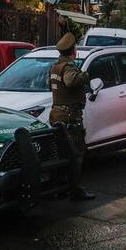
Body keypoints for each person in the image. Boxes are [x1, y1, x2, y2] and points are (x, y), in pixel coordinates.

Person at [49, 32, 96, 201]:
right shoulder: (68, 67)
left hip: (56, 115)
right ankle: (75, 189)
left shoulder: (54, 67)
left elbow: (52, 86)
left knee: (60, 154)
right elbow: (70, 81)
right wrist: (85, 75)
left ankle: (60, 187)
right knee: (76, 154)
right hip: (70, 117)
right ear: (73, 51)